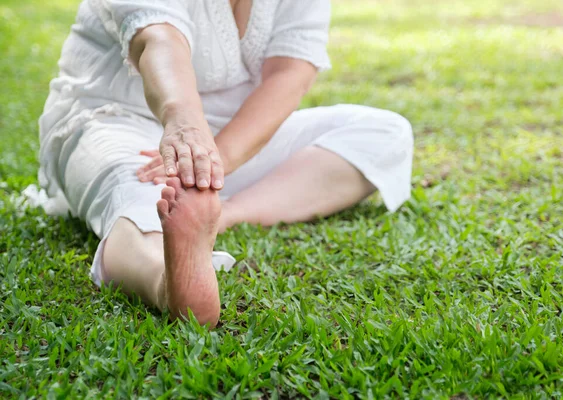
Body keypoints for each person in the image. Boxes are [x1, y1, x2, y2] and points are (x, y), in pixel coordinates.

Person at [38, 0, 414, 327]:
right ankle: (166, 283)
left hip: (234, 135)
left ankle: (223, 211)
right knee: (135, 202)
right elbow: (159, 39)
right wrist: (185, 127)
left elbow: (289, 73)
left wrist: (216, 156)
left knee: (386, 133)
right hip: (117, 119)